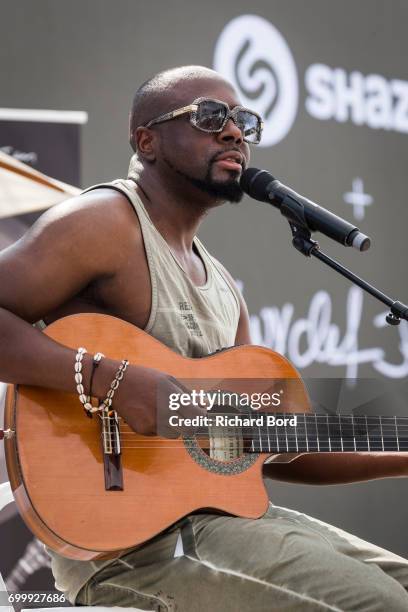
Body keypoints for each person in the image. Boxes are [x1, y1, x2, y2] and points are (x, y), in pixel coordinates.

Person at [1, 65, 408, 611]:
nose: (234, 132)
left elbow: (272, 447)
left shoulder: (222, 288)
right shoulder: (103, 224)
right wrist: (113, 380)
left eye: (243, 121)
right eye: (209, 117)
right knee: (376, 602)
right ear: (146, 140)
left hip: (225, 528)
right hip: (132, 552)